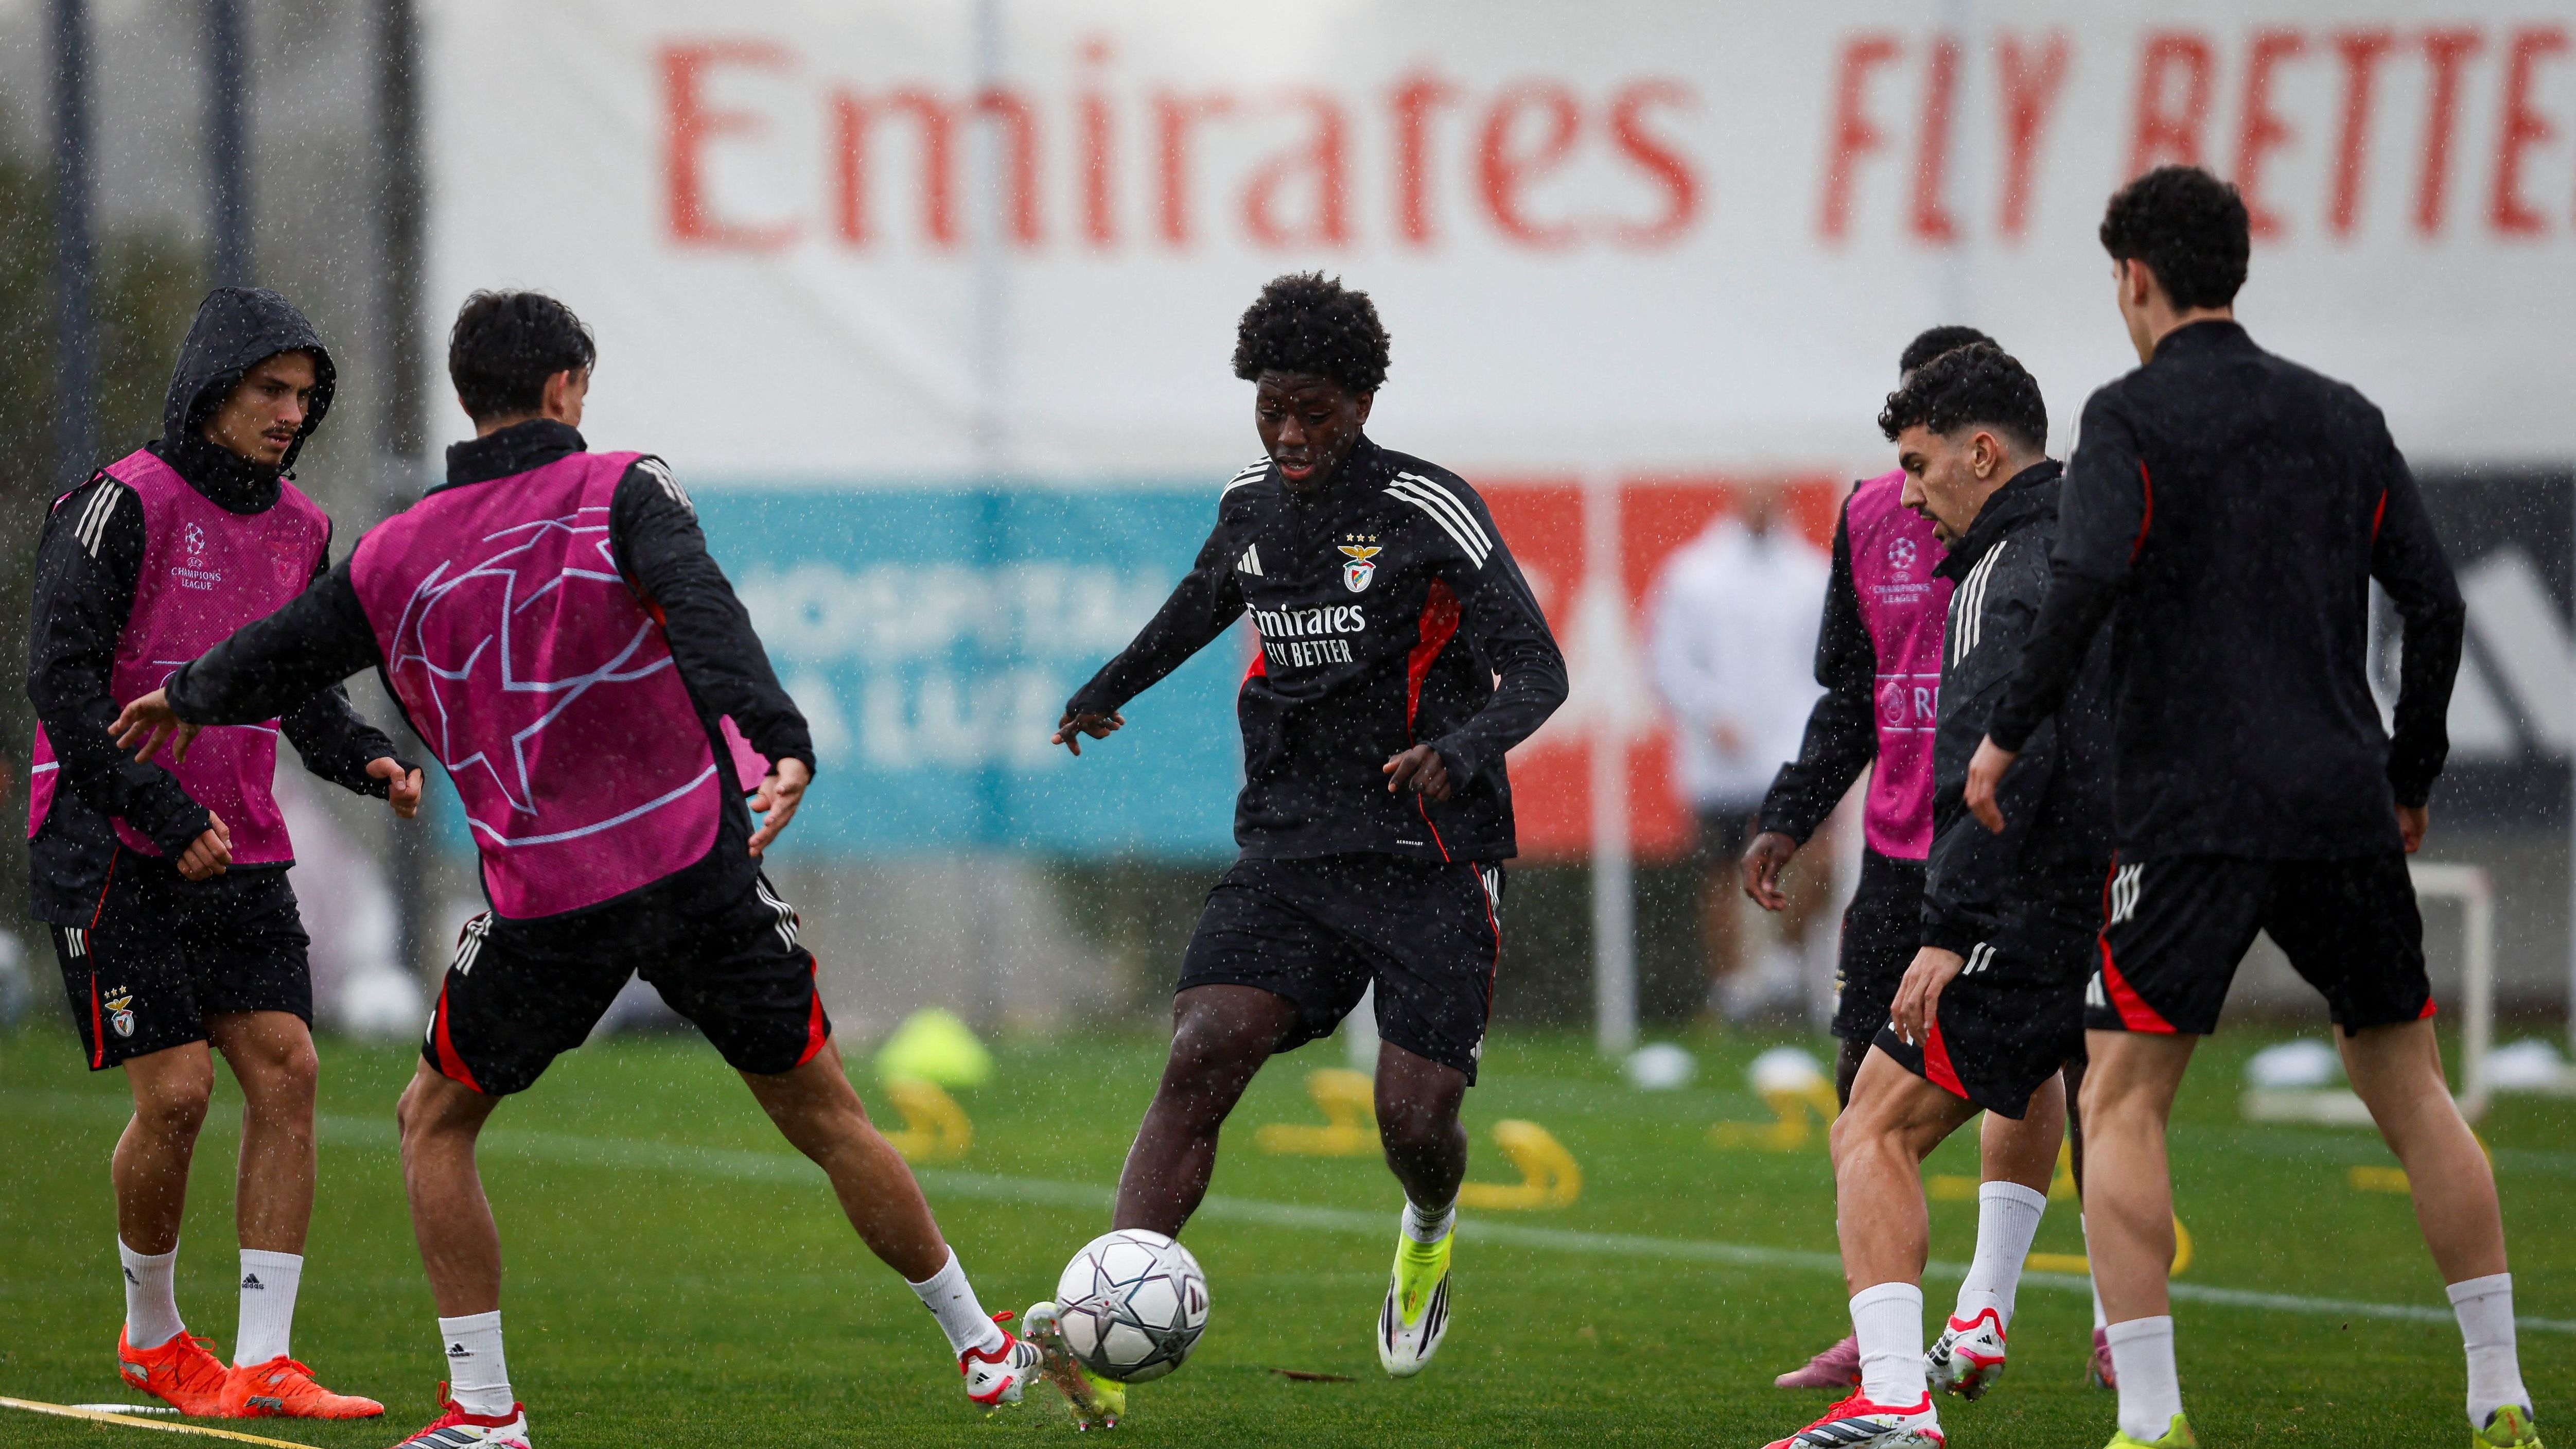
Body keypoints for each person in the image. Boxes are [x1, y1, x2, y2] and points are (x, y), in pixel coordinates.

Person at [111, 291, 1043, 1448]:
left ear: (468, 397)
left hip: (548, 899)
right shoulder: (622, 486)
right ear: (564, 391)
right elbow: (706, 613)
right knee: (826, 1115)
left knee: (435, 1123)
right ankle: (982, 1346)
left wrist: (188, 695)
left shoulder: (397, 550)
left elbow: (287, 648)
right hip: (694, 862)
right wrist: (781, 735)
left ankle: (487, 1413)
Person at [1966, 167, 2533, 1449]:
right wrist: (2409, 780)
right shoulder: (2341, 416)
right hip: (2340, 804)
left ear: (2136, 280)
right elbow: (2436, 605)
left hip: (2189, 814)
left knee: (2122, 1098)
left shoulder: (2130, 417)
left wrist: (2004, 735)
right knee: (2413, 1091)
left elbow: (2091, 580)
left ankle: (2156, 1415)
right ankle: (2500, 1388)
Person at [1038, 272, 1565, 1420]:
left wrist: (1459, 750)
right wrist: (1105, 687)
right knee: (1204, 1045)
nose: (1289, 433)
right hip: (1290, 848)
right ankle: (1110, 1321)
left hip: (1430, 851)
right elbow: (1200, 601)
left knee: (1412, 1121)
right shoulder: (1251, 505)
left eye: (1313, 411)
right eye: (1271, 407)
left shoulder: (1432, 510)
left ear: (1363, 401)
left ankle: (1427, 1230)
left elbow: (1540, 670)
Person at [26, 287, 419, 1422]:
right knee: (182, 1094)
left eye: (306, 396)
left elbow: (291, 680)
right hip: (106, 837)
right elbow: (58, 683)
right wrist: (155, 806)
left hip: (236, 838)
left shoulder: (301, 527)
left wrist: (363, 759)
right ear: (211, 389)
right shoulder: (118, 506)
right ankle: (153, 1335)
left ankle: (264, 1360)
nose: (293, 413)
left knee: (290, 1070)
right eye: (270, 390)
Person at [1763, 343, 2110, 1449]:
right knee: (2116, 1110)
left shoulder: (1994, 580)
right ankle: (2125, 1382)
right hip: (2126, 888)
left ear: (1981, 450)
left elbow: (1991, 762)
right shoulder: (2104, 541)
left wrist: (1953, 929)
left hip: (2015, 899)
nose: (1909, 495)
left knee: (1871, 1124)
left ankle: (1896, 1395)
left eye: (1920, 466)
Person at [1646, 486, 1830, 1020]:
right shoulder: (1693, 575)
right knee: (1722, 871)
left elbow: (1828, 663)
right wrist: (1710, 711)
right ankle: (1731, 990)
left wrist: (1815, 729)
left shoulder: (1811, 575)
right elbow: (1666, 660)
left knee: (1809, 857)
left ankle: (1784, 966)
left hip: (1793, 751)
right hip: (1720, 759)